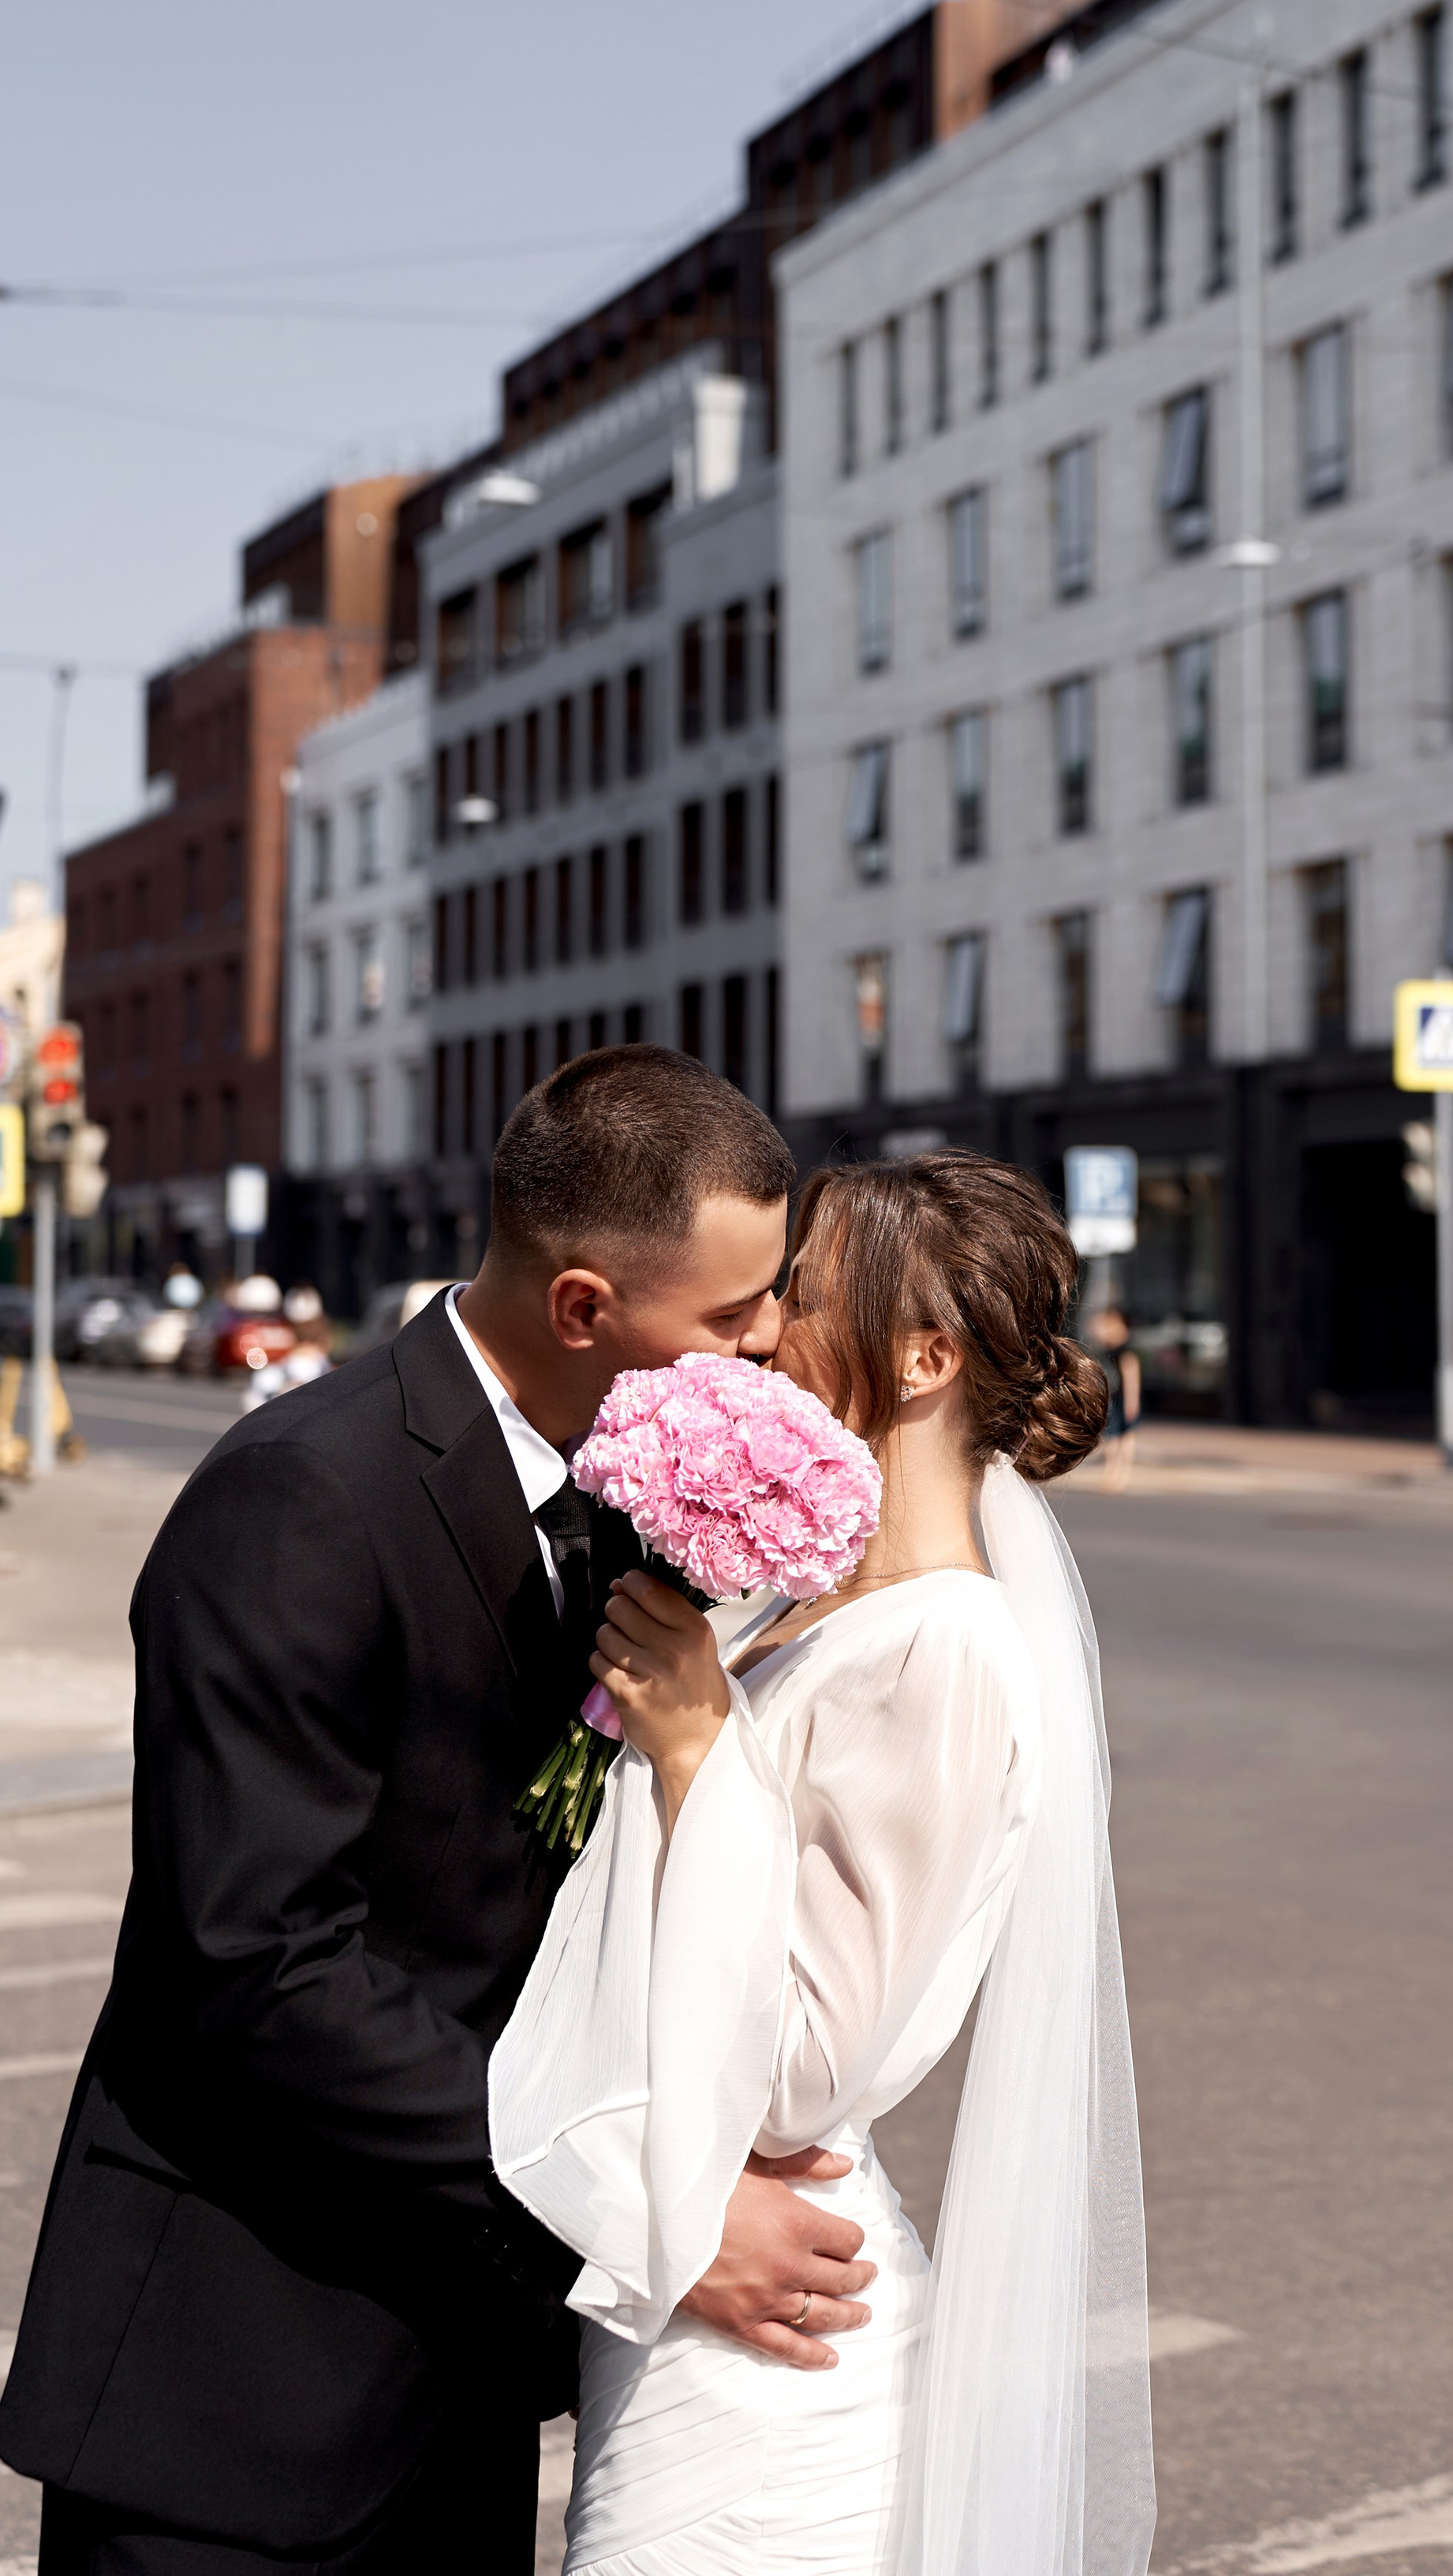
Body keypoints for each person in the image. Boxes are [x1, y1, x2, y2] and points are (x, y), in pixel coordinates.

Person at [0, 1047, 876, 2575]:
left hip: (454, 2379)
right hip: (239, 2397)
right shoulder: (300, 1501)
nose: (768, 1347)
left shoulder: (618, 1502)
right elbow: (260, 1968)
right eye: (733, 1317)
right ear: (585, 1309)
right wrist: (643, 2207)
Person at [491, 1148, 1156, 2576]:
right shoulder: (792, 1604)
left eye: (805, 1288)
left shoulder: (951, 1650)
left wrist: (693, 1752)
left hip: (778, 2343)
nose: (765, 1323)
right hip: (709, 2278)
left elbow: (807, 2071)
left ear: (922, 1357)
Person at [1085, 1301, 1143, 1491]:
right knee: (1112, 1439)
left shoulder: (1126, 1352)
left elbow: (1131, 1377)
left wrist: (1132, 1402)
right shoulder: (1110, 1348)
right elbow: (1094, 1328)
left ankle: (1121, 1476)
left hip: (1125, 1399)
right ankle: (1112, 1475)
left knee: (1125, 1439)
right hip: (1115, 1397)